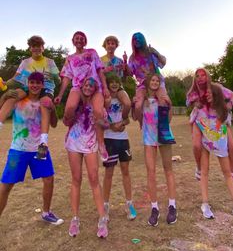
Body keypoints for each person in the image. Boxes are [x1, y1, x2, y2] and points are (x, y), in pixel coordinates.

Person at [0, 72, 63, 225]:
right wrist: (4, 96)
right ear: (28, 83)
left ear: (42, 85)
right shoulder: (18, 98)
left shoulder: (44, 101)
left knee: (48, 178)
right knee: (6, 185)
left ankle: (46, 213)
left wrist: (52, 108)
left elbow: (53, 124)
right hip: (18, 150)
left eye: (38, 83)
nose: (35, 85)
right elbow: (3, 111)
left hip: (39, 148)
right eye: (32, 82)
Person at [54, 31, 110, 162]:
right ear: (73, 41)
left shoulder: (92, 52)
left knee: (98, 112)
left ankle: (101, 144)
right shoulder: (70, 58)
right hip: (79, 87)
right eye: (76, 38)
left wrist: (105, 87)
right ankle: (70, 129)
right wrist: (60, 95)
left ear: (85, 41)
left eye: (82, 38)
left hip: (94, 86)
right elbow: (67, 77)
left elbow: (100, 70)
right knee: (70, 108)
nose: (79, 40)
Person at [0, 35, 60, 155]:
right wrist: (6, 83)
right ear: (30, 48)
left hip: (46, 89)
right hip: (28, 87)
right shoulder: (25, 62)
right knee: (12, 96)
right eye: (34, 46)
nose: (36, 48)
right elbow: (16, 78)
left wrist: (53, 78)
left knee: (45, 103)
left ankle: (43, 143)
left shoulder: (50, 62)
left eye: (39, 46)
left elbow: (58, 80)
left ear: (43, 48)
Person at [65, 77, 108, 238]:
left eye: (92, 85)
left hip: (90, 143)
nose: (88, 87)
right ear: (81, 86)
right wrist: (70, 115)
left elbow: (105, 123)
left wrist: (102, 122)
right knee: (76, 179)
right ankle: (75, 219)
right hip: (74, 143)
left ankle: (102, 219)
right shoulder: (74, 102)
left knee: (94, 179)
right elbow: (65, 121)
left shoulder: (97, 105)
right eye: (86, 85)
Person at [189, 81, 233, 218]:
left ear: (216, 95)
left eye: (210, 93)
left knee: (227, 173)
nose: (207, 95)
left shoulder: (224, 111)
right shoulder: (201, 109)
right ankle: (205, 203)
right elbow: (193, 121)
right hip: (205, 144)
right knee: (205, 172)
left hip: (220, 145)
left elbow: (226, 129)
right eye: (207, 93)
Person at [186, 68, 233, 183]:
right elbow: (188, 102)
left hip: (218, 118)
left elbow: (232, 94)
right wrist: (194, 103)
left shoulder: (216, 88)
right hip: (201, 121)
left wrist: (229, 104)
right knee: (196, 146)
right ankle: (198, 168)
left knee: (232, 146)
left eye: (203, 75)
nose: (200, 78)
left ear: (208, 76)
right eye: (197, 76)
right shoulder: (194, 91)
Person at [141, 73, 177, 226]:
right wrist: (137, 103)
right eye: (152, 80)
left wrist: (169, 106)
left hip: (164, 136)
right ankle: (154, 208)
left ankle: (172, 206)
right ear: (148, 82)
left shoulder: (163, 98)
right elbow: (137, 117)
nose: (155, 82)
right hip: (149, 139)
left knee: (168, 170)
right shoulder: (143, 100)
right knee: (151, 172)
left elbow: (168, 120)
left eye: (157, 80)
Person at [102, 74, 137, 221]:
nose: (114, 84)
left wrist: (122, 124)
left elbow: (127, 119)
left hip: (123, 139)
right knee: (108, 173)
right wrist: (111, 126)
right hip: (109, 139)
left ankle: (129, 203)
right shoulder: (104, 99)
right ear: (107, 84)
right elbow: (98, 119)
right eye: (112, 82)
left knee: (125, 171)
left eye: (117, 82)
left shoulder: (123, 98)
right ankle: (105, 205)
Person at [126, 32, 167, 125]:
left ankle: (163, 127)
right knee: (138, 105)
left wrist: (155, 52)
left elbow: (163, 62)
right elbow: (130, 73)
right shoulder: (132, 58)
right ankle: (143, 125)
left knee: (163, 101)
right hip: (143, 84)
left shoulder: (151, 52)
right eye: (135, 39)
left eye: (139, 38)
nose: (137, 40)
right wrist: (125, 64)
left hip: (157, 81)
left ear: (143, 39)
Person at [100, 35, 131, 121]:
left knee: (128, 103)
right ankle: (106, 120)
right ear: (105, 46)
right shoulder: (100, 60)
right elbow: (97, 75)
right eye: (108, 43)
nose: (110, 45)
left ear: (116, 46)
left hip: (118, 87)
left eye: (113, 43)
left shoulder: (120, 60)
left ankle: (124, 118)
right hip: (105, 87)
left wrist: (125, 62)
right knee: (105, 104)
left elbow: (126, 76)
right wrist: (105, 71)